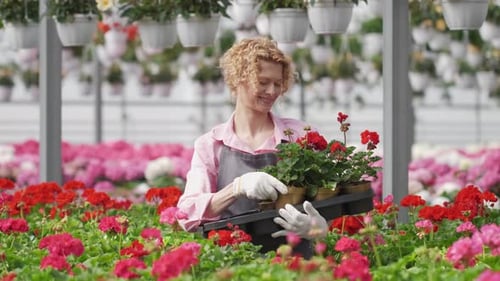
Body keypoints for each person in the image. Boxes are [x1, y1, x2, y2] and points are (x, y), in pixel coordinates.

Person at [177, 37, 328, 257]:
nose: (272, 91)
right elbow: (186, 214)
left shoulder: (299, 136)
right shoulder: (211, 145)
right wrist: (236, 188)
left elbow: (329, 202)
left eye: (278, 83)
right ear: (239, 78)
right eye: (263, 81)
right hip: (234, 264)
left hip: (294, 264)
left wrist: (318, 228)